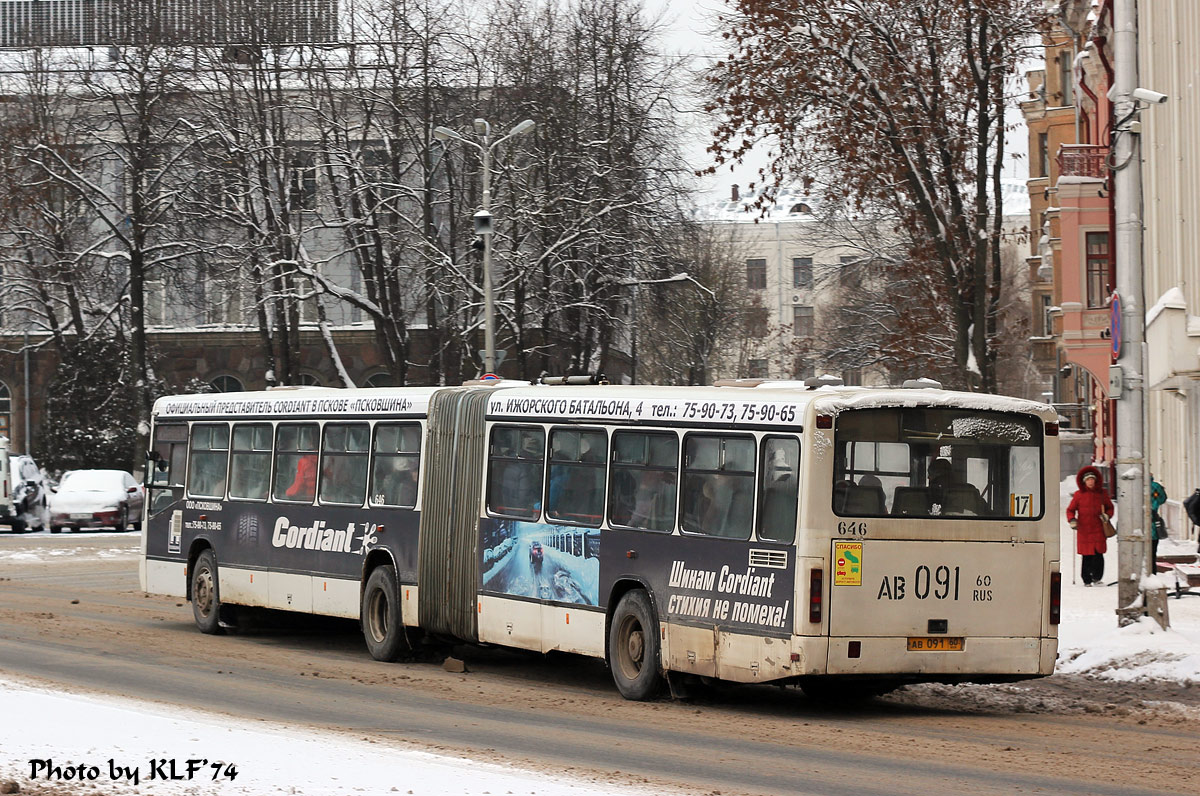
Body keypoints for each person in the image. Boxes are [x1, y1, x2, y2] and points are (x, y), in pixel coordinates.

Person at [1065, 465, 1114, 586]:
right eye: (1088, 480)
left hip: (1098, 528)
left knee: (1098, 554)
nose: (1090, 482)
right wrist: (1072, 520)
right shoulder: (1078, 495)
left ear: (1096, 480)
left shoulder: (1102, 493)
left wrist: (1107, 516)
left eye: (1092, 479)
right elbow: (1070, 510)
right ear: (1084, 482)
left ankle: (1097, 577)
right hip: (1084, 529)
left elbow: (1110, 508)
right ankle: (1086, 579)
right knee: (1086, 555)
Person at [1150, 476, 1168, 570]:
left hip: (1136, 525)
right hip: (1152, 522)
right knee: (1152, 552)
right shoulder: (1155, 486)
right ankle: (1152, 572)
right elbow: (1163, 499)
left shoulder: (1132, 485)